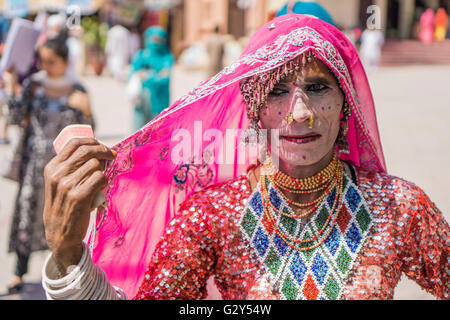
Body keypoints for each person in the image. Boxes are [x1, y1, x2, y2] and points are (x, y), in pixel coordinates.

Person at [41, 14, 448, 300]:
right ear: (253, 109)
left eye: (319, 88)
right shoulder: (214, 216)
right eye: (276, 91)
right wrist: (68, 257)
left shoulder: (399, 208)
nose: (300, 112)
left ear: (346, 102)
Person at [4, 36, 94, 294]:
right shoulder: (33, 85)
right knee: (26, 216)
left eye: (51, 61)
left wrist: (86, 111)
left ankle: (62, 276)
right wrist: (11, 87)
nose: (45, 66)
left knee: (63, 220)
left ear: (65, 61)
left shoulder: (78, 89)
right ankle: (18, 272)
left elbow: (89, 133)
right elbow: (14, 116)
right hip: (33, 166)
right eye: (41, 61)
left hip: (65, 168)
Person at [128, 26, 174, 132]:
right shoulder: (140, 55)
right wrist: (156, 75)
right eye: (154, 39)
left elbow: (165, 78)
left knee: (158, 131)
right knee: (138, 131)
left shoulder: (167, 57)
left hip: (160, 101)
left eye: (159, 40)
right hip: (142, 100)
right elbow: (134, 74)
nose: (156, 43)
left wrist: (146, 75)